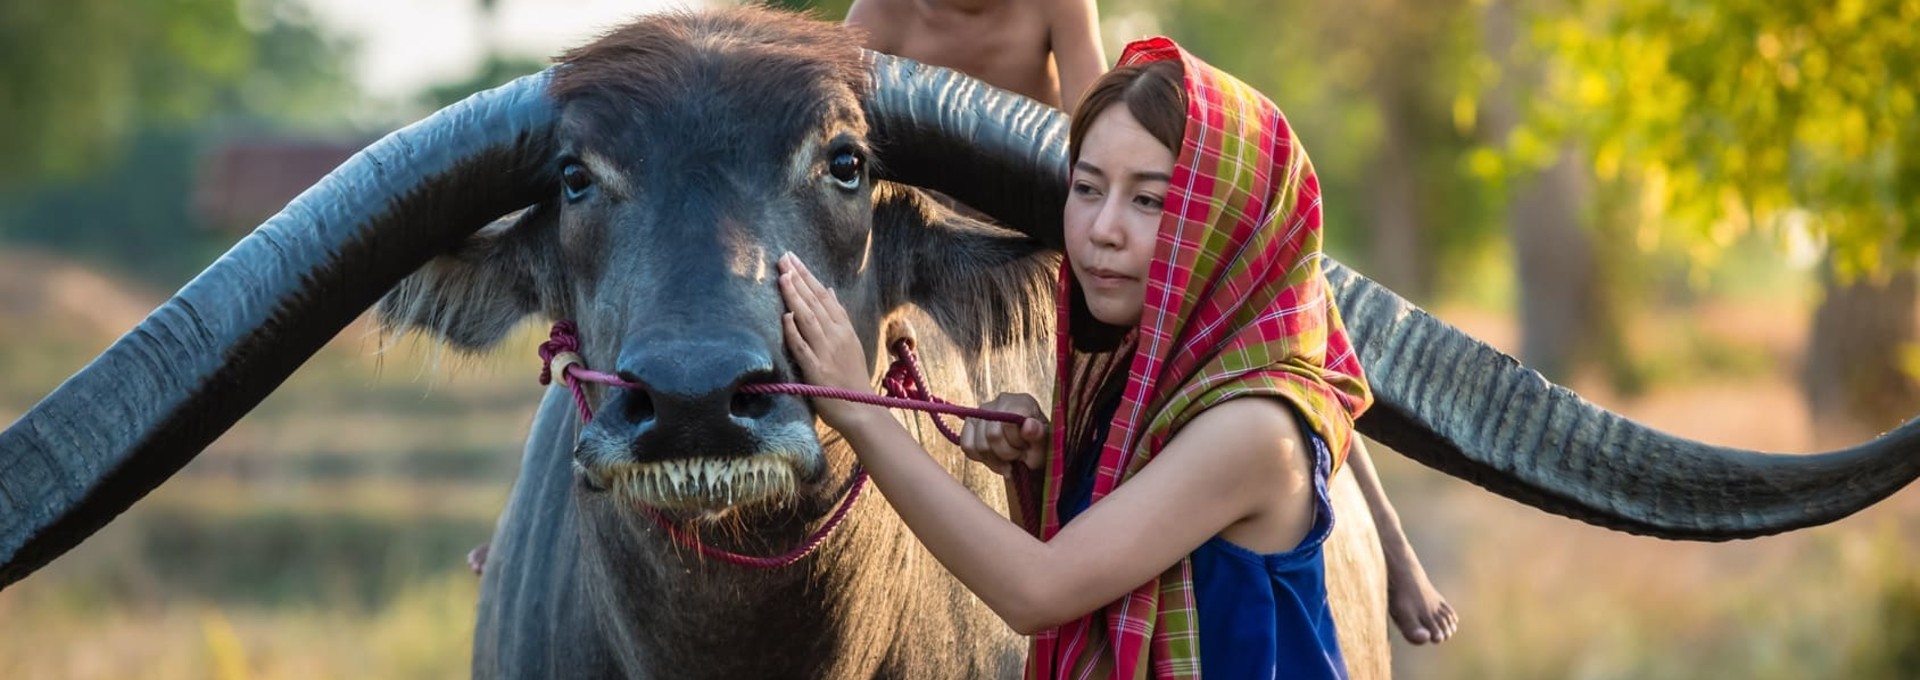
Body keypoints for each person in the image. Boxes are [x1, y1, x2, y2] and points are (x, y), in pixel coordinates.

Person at [847, 2, 1457, 647]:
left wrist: (860, 413)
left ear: (1222, 223)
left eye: (1151, 199)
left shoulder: (1252, 427)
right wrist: (1039, 464)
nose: (1107, 227)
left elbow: (1040, 592)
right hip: (928, 248)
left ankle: (1392, 538)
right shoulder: (1118, 376)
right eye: (1090, 190)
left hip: (1024, 227)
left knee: (1299, 323)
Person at [845, 0, 1108, 113]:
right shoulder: (881, 9)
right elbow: (830, 105)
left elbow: (1093, 118)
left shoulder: (1058, 5)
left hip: (1030, 201)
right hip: (915, 213)